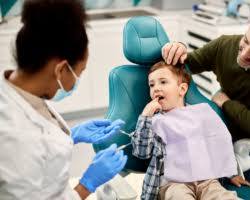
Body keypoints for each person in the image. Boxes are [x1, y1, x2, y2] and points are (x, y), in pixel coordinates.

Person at [0, 0, 127, 199]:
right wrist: (87, 184)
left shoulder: (15, 91)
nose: (78, 80)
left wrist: (72, 135)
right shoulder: (17, 140)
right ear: (60, 69)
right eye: (80, 71)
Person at [132, 61, 239, 200]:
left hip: (206, 180)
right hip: (173, 184)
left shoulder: (201, 114)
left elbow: (219, 144)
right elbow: (141, 152)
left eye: (163, 82)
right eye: (151, 85)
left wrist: (232, 173)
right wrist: (145, 116)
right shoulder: (154, 121)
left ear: (182, 89)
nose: (156, 88)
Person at [161, 27, 250, 188]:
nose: (244, 54)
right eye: (246, 41)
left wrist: (226, 103)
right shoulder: (225, 45)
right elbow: (186, 64)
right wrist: (178, 48)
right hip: (226, 128)